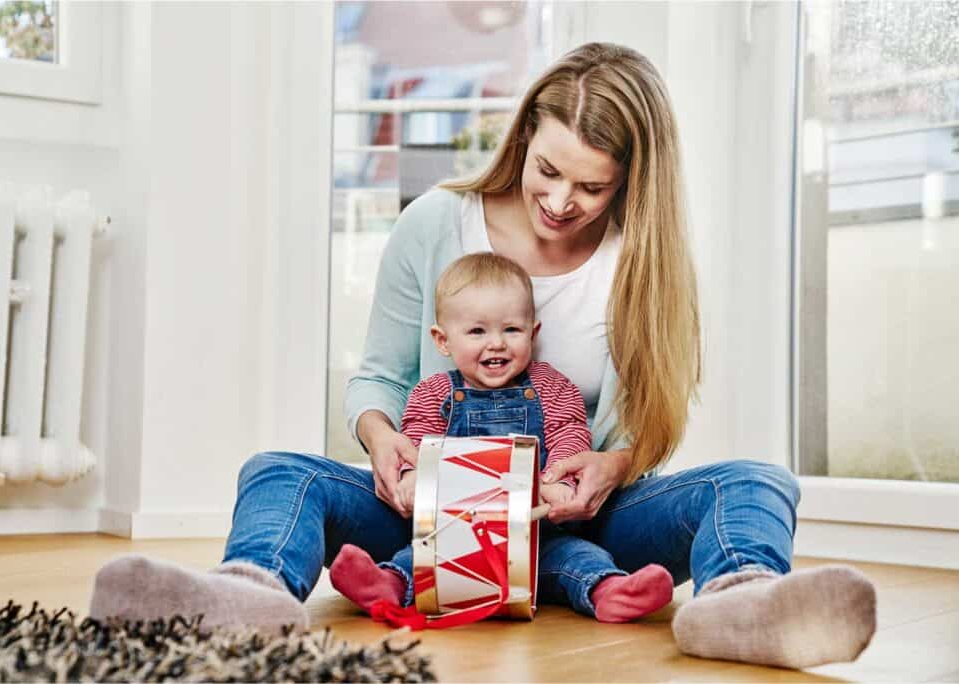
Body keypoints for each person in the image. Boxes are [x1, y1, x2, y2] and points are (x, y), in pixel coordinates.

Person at [90, 42, 876, 669]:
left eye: (592, 187)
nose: (562, 202)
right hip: (431, 516)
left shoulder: (645, 260)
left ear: (633, 182)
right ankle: (249, 590)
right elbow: (380, 376)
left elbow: (651, 417)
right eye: (548, 169)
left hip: (582, 523)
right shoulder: (435, 223)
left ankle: (744, 602)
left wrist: (611, 465)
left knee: (758, 482)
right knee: (277, 471)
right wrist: (381, 438)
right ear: (525, 134)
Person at [329, 252, 674, 623]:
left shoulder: (552, 388)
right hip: (455, 535)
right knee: (416, 555)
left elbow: (570, 433)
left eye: (511, 330)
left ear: (533, 333)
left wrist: (558, 480)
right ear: (443, 341)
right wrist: (414, 480)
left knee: (580, 556)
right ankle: (388, 585)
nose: (496, 343)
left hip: (538, 534)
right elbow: (416, 446)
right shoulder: (432, 395)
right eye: (477, 331)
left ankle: (610, 592)